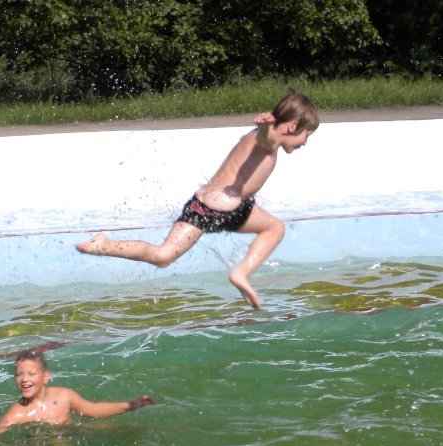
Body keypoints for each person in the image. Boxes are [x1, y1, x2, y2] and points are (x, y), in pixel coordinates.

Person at [76, 89, 320, 310]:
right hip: (225, 208)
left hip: (203, 205)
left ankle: (105, 246)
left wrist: (264, 127)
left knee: (164, 255)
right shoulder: (268, 139)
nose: (305, 143)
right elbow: (266, 140)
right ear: (292, 126)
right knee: (275, 229)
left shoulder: (259, 136)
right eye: (306, 135)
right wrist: (266, 127)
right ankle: (242, 273)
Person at [0, 349, 155, 446]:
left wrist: (130, 405)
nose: (24, 379)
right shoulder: (20, 412)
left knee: (126, 431)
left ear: (46, 377)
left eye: (31, 374)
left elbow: (93, 410)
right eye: (19, 375)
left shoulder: (63, 396)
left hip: (76, 434)